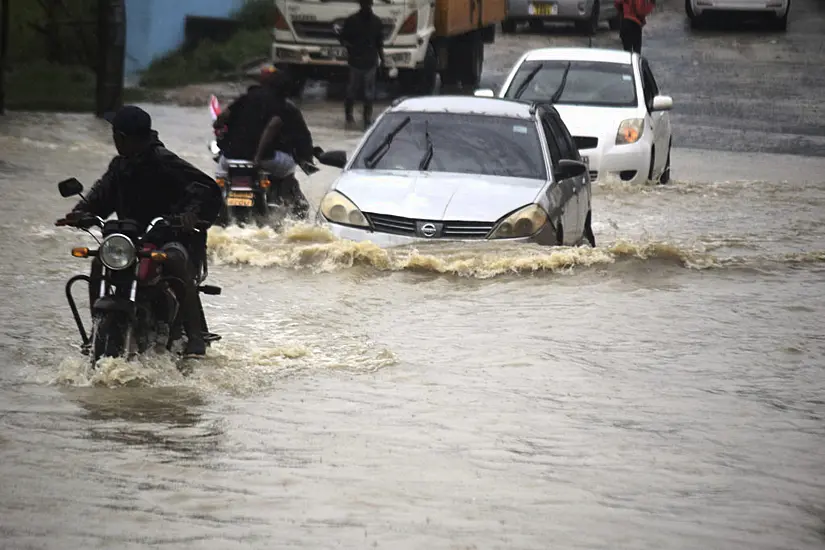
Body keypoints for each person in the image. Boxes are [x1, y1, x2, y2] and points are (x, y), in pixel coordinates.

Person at [58, 105, 222, 358]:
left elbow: (207, 189)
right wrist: (81, 212)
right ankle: (96, 330)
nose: (114, 140)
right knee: (99, 260)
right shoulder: (120, 166)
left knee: (175, 260)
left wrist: (189, 215)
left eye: (115, 135)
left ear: (123, 138)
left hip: (170, 237)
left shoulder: (165, 162)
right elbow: (101, 195)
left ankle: (195, 336)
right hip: (129, 240)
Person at [213, 66, 313, 218]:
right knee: (289, 169)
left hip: (230, 157)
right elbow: (274, 127)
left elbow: (222, 118)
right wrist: (258, 157)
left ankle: (219, 207)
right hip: (264, 159)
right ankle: (291, 203)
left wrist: (220, 130)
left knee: (220, 176)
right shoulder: (283, 106)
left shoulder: (245, 98)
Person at [338, 0, 386, 129]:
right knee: (356, 91)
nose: (366, 6)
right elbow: (343, 39)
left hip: (366, 61)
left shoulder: (373, 22)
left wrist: (382, 59)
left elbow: (379, 43)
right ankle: (353, 117)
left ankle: (365, 118)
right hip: (359, 61)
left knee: (365, 92)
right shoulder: (354, 21)